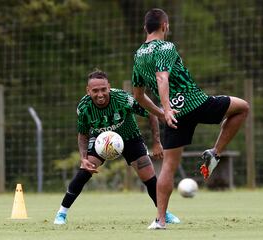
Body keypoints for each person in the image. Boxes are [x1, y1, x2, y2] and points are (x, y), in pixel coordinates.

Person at [131, 8, 249, 229]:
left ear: (144, 28)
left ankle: (160, 220)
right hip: (196, 103)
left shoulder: (138, 55)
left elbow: (138, 95)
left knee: (168, 166)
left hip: (175, 116)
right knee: (242, 108)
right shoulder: (167, 46)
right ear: (165, 26)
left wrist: (163, 113)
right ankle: (215, 153)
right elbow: (161, 77)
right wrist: (165, 109)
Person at [53, 70, 180, 225]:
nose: (100, 94)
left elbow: (151, 114)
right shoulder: (84, 108)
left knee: (149, 176)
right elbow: (83, 135)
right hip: (101, 140)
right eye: (95, 91)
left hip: (130, 138)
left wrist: (157, 142)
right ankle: (61, 214)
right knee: (84, 171)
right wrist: (83, 158)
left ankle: (163, 214)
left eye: (103, 89)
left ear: (109, 87)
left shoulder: (123, 99)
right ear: (88, 90)